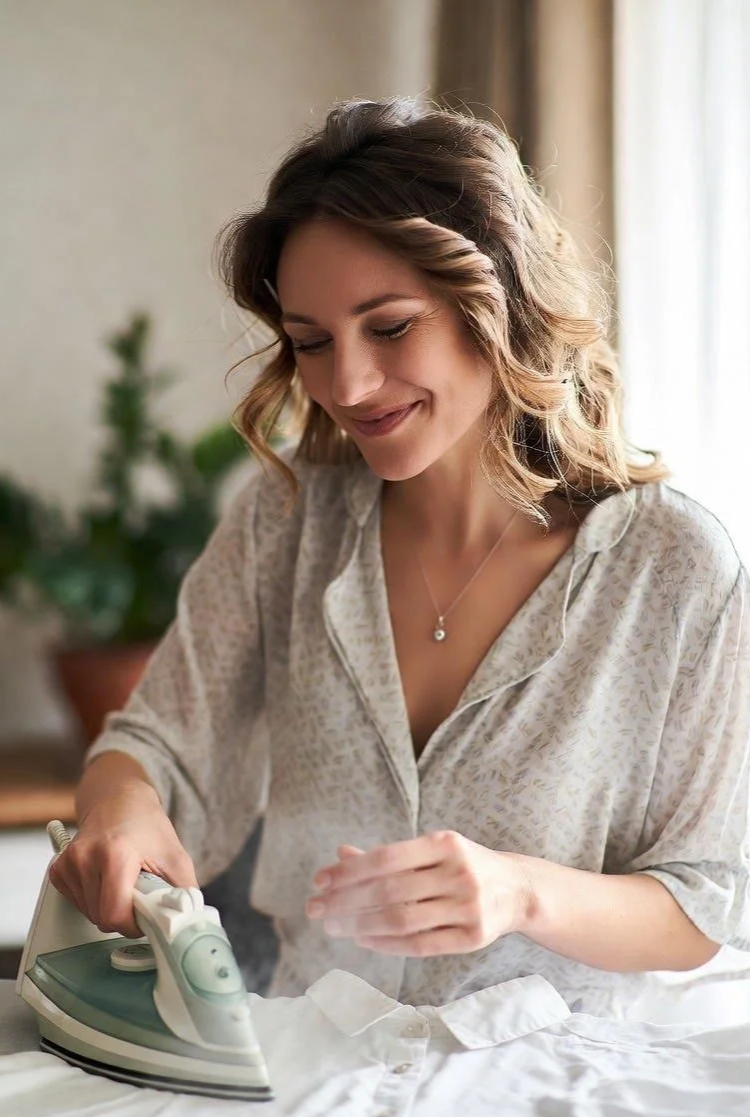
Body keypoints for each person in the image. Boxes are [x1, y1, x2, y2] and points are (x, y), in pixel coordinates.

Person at [51, 98, 750, 1017]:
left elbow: (705, 899)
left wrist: (518, 891)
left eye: (388, 328)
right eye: (310, 343)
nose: (347, 385)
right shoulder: (288, 518)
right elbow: (155, 746)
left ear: (495, 303)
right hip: (317, 1062)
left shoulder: (672, 568)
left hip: (557, 1074)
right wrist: (122, 805)